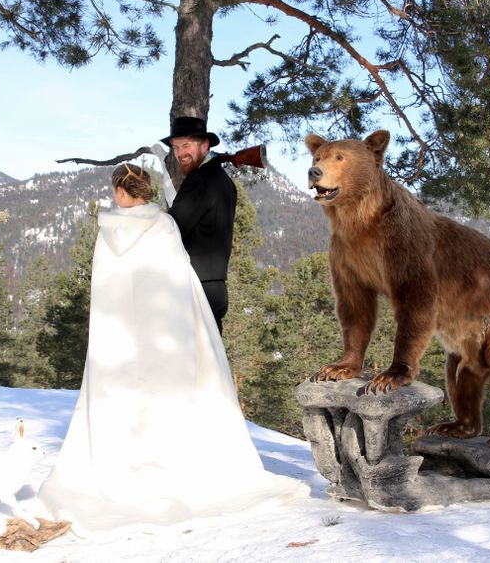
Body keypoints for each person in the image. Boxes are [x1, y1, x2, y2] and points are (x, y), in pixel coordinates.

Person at [37, 164, 304, 532]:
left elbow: (106, 293)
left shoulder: (107, 231)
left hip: (117, 344)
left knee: (124, 409)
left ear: (120, 191)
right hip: (163, 341)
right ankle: (170, 469)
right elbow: (180, 287)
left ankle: (124, 469)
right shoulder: (163, 227)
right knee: (166, 406)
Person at [162, 116, 237, 333]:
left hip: (196, 288)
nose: (180, 153)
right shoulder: (224, 181)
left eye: (186, 145)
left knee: (191, 364)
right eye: (176, 147)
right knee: (211, 364)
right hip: (214, 287)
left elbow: (171, 230)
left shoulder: (200, 180)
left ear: (205, 145)